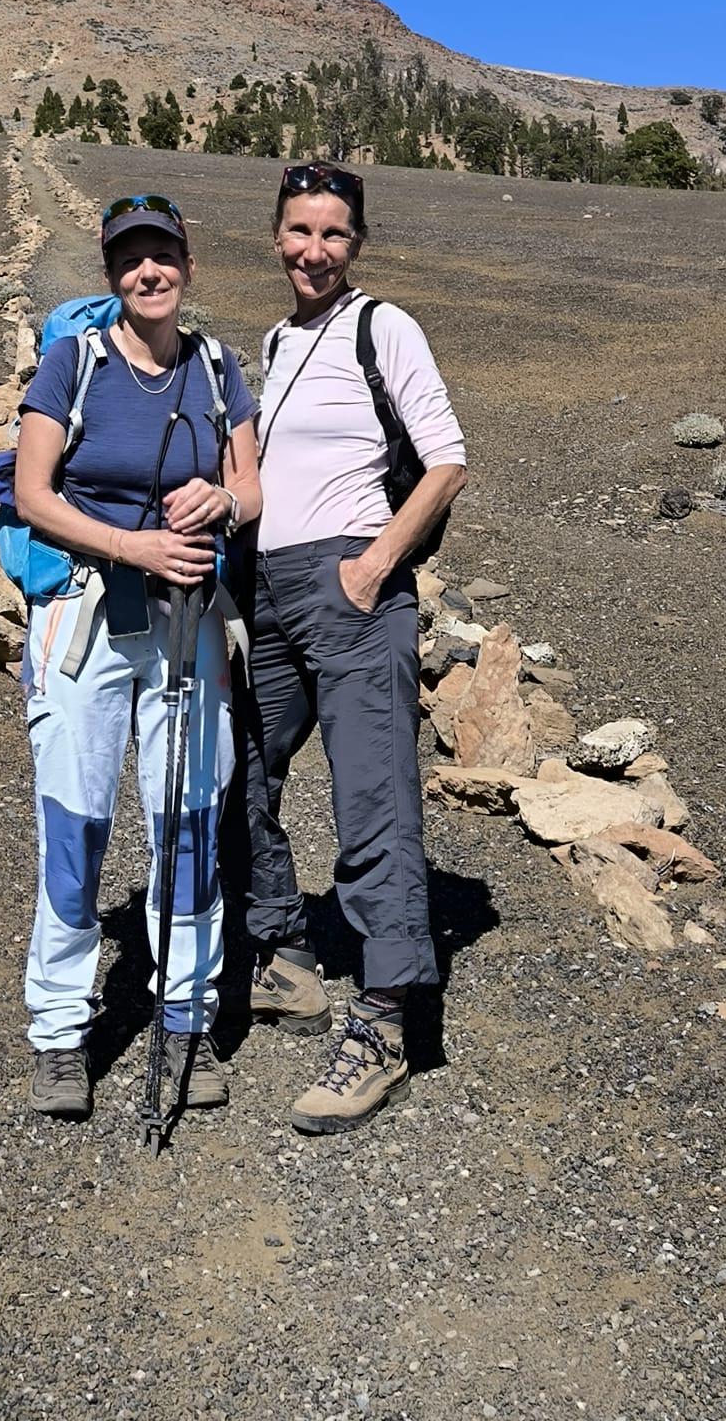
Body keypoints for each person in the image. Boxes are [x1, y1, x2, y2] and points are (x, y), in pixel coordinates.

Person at [13, 194, 261, 1120]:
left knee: (190, 821)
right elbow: (35, 494)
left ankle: (187, 1018)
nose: (147, 273)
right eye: (130, 260)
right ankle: (61, 1031)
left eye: (162, 256)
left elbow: (253, 483)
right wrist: (136, 547)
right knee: (75, 821)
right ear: (112, 272)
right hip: (86, 616)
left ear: (187, 264)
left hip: (190, 617)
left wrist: (222, 509)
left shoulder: (218, 366)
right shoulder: (73, 362)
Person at [243, 161, 467, 1133]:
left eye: (334, 234)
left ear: (358, 244)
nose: (314, 250)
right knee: (231, 768)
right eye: (300, 230)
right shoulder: (276, 339)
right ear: (277, 234)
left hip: (351, 585)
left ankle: (384, 1021)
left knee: (371, 798)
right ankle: (285, 953)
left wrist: (375, 565)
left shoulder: (385, 326)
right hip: (269, 588)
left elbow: (448, 457)